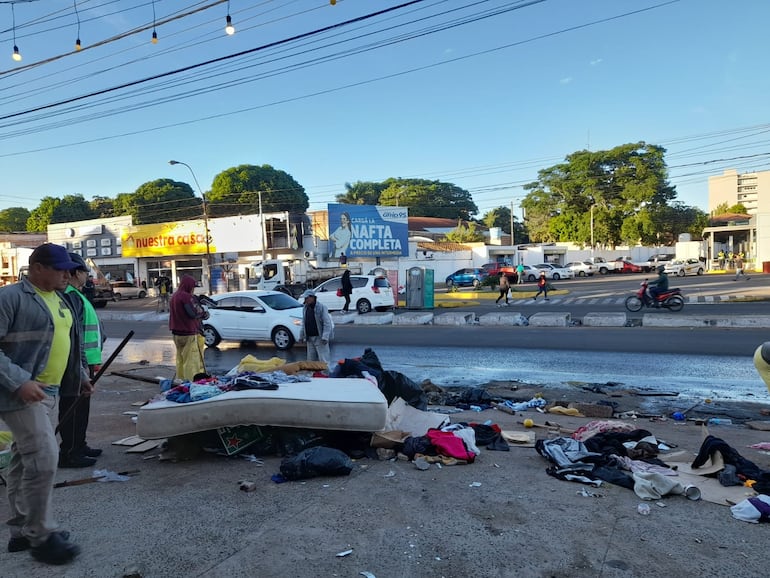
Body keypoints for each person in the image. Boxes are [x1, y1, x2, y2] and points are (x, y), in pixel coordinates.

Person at [0, 243, 86, 564]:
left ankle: (21, 532)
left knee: (24, 462)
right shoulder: (10, 298)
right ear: (36, 268)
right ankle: (42, 535)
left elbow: (66, 342)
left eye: (68, 268)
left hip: (48, 394)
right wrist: (19, 381)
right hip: (19, 394)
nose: (68, 273)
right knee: (46, 458)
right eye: (60, 268)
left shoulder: (61, 298)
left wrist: (79, 376)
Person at [58, 253, 104, 469]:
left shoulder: (77, 294)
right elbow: (75, 334)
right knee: (73, 407)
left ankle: (80, 444)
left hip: (86, 361)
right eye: (86, 271)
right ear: (76, 273)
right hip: (78, 363)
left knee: (82, 407)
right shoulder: (70, 296)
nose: (88, 275)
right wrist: (83, 364)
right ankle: (70, 451)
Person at [169, 275, 208, 381]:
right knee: (191, 360)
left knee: (180, 359)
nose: (193, 289)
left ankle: (180, 380)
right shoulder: (187, 297)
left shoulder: (174, 296)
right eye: (192, 287)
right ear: (188, 286)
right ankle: (190, 383)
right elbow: (193, 313)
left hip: (176, 333)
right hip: (188, 333)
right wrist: (204, 313)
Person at [299, 290, 333, 367]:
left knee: (323, 359)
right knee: (311, 360)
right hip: (309, 338)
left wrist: (325, 337)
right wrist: (301, 336)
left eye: (307, 298)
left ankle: (326, 375)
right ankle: (313, 376)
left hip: (319, 338)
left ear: (312, 298)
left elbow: (327, 323)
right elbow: (304, 323)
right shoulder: (305, 308)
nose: (305, 300)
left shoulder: (321, 307)